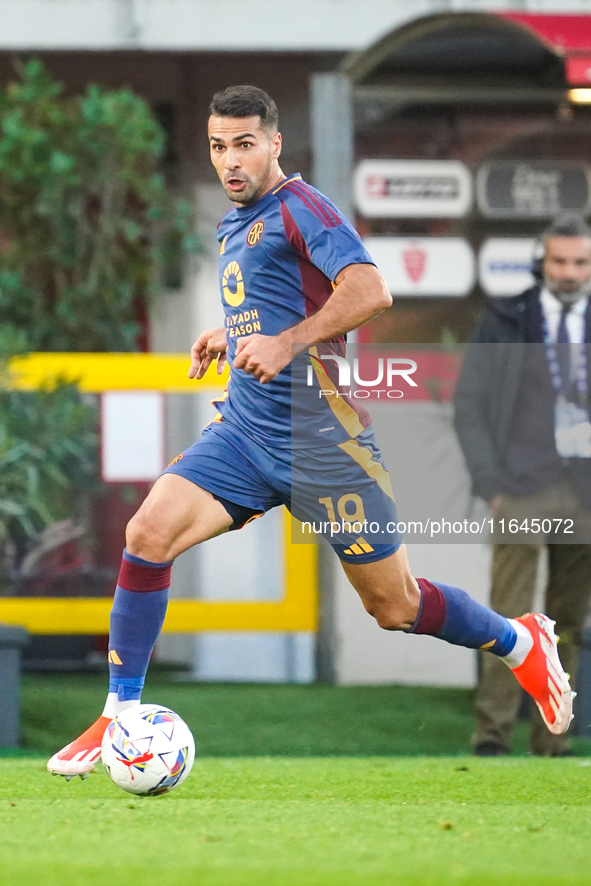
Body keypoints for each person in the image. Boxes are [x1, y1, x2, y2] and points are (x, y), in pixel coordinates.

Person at [48, 86, 573, 778]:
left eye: (243, 144)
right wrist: (229, 334)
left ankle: (517, 640)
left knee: (395, 605)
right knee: (147, 535)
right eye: (216, 146)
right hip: (244, 433)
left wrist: (288, 342)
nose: (229, 160)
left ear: (272, 144)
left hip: (323, 446)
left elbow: (368, 290)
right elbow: (274, 301)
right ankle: (119, 715)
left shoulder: (304, 207)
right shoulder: (237, 221)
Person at [454, 215, 591, 757]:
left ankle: (552, 742)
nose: (569, 272)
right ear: (542, 262)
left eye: (580, 263)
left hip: (585, 491)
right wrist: (490, 483)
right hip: (520, 487)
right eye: (559, 261)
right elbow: (469, 406)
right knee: (505, 619)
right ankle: (492, 737)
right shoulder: (505, 320)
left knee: (570, 621)